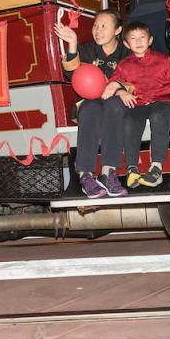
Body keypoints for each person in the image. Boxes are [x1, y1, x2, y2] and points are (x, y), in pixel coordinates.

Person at [105, 22, 170, 188]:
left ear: (150, 40)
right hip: (139, 102)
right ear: (127, 44)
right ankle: (132, 169)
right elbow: (114, 83)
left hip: (164, 99)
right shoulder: (124, 65)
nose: (138, 41)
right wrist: (122, 92)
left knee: (158, 115)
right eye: (133, 39)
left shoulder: (162, 60)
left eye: (142, 37)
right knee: (129, 120)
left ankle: (156, 168)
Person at [55, 10, 131, 198]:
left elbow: (137, 80)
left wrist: (117, 86)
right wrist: (72, 43)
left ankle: (107, 174)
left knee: (115, 105)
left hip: (116, 104)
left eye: (104, 26)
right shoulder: (87, 49)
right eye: (95, 26)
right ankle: (85, 176)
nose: (97, 30)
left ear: (118, 30)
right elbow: (73, 75)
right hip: (91, 102)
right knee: (90, 108)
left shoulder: (126, 53)